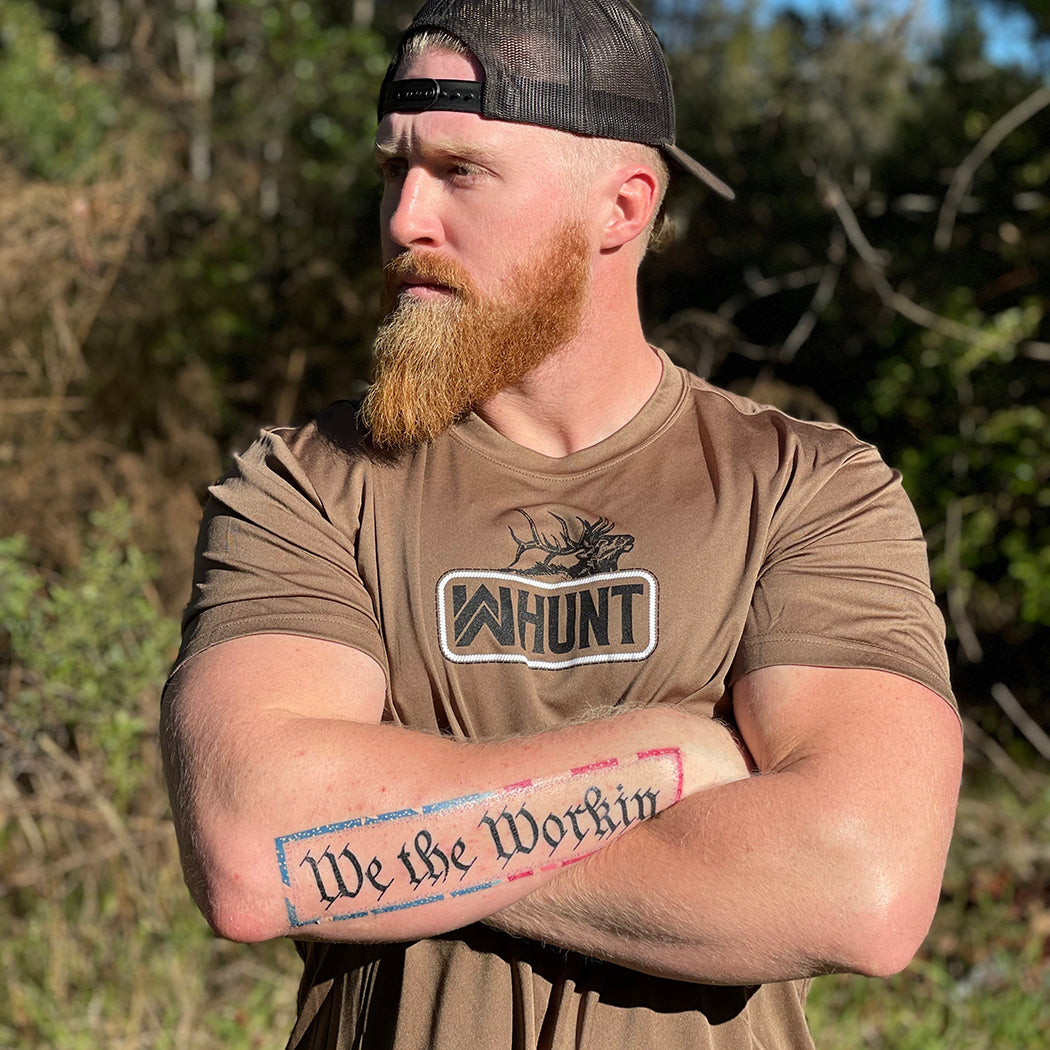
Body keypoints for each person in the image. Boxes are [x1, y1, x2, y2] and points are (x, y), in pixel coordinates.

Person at [161, 1, 963, 1047]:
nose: (405, 220)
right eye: (392, 172)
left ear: (620, 208)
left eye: (459, 172)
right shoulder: (311, 486)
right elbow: (254, 852)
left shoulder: (807, 491)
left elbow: (860, 884)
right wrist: (666, 761)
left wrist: (391, 832)